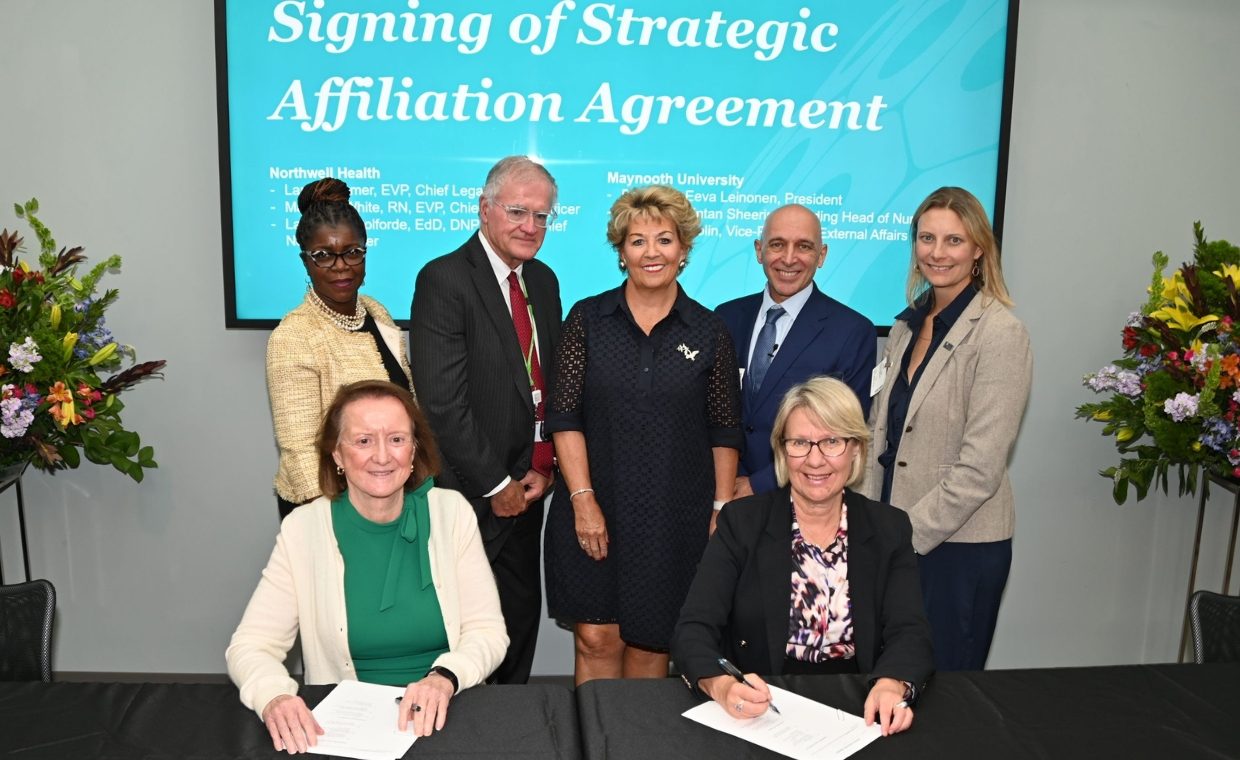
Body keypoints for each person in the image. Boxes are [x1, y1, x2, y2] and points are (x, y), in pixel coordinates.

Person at [226, 380, 507, 753]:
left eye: (396, 439)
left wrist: (444, 677)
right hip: (345, 729)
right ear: (337, 455)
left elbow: (488, 632)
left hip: (447, 711)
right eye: (363, 441)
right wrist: (274, 696)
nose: (382, 456)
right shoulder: (304, 529)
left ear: (413, 450)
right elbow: (251, 646)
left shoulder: (450, 512)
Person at [544, 185, 742, 685]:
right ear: (621, 251)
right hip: (594, 506)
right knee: (595, 638)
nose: (651, 252)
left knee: (651, 644)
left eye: (664, 239)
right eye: (637, 240)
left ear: (684, 249)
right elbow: (563, 416)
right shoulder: (588, 320)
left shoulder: (709, 330)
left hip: (673, 517)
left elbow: (724, 429)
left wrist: (720, 509)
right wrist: (583, 500)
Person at [672, 377, 933, 737]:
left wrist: (891, 684)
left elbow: (910, 631)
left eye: (831, 442)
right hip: (761, 707)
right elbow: (693, 629)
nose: (815, 459)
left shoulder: (888, 528)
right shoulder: (742, 523)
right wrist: (721, 686)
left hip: (859, 705)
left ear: (855, 449)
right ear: (782, 451)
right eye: (799, 443)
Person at [862, 186, 1032, 672]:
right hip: (895, 538)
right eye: (927, 238)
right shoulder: (906, 326)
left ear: (979, 249)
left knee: (947, 695)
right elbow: (881, 436)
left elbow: (980, 469)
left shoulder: (999, 333)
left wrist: (901, 536)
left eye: (954, 241)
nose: (938, 253)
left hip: (959, 548)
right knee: (889, 684)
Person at [409, 156, 561, 685]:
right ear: (484, 208)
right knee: (463, 635)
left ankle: (515, 728)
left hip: (530, 488)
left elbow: (544, 385)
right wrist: (497, 485)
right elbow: (442, 404)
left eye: (543, 216)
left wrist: (546, 465)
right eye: (518, 211)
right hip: (471, 494)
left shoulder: (543, 280)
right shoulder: (444, 279)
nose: (530, 227)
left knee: (518, 626)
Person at [266, 177, 414, 519]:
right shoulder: (294, 336)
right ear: (305, 261)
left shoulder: (377, 312)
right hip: (328, 509)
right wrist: (339, 523)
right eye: (324, 256)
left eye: (352, 252)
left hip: (389, 497)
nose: (341, 266)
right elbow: (299, 452)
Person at [716, 204, 877, 499]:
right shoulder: (725, 318)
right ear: (759, 250)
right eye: (777, 244)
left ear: (822, 255)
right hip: (723, 497)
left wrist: (756, 484)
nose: (789, 259)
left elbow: (842, 433)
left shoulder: (853, 331)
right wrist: (729, 482)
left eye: (803, 246)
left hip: (802, 502)